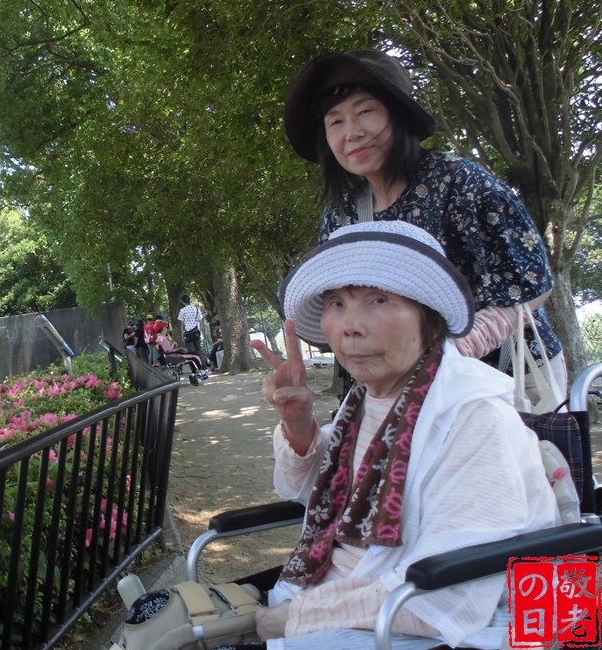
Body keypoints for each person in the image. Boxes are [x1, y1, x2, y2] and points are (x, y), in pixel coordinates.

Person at [244, 221, 559, 648]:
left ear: (430, 319)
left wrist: (291, 618)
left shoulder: (476, 417)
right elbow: (314, 490)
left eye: (378, 300)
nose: (351, 326)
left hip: (432, 625)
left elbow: (447, 597)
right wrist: (298, 425)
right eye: (337, 303)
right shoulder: (365, 401)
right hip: (327, 594)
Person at [284, 49, 565, 401]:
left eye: (365, 112)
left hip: (510, 378)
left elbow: (535, 281)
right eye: (336, 122)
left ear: (398, 114)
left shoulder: (461, 182)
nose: (352, 133)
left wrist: (465, 344)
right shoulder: (340, 216)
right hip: (406, 388)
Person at [177, 294, 206, 360]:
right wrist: (200, 332)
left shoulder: (182, 311)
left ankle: (195, 365)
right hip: (196, 332)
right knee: (199, 350)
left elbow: (182, 325)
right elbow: (201, 323)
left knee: (190, 352)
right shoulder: (197, 309)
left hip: (188, 334)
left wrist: (182, 336)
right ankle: (203, 365)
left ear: (183, 302)